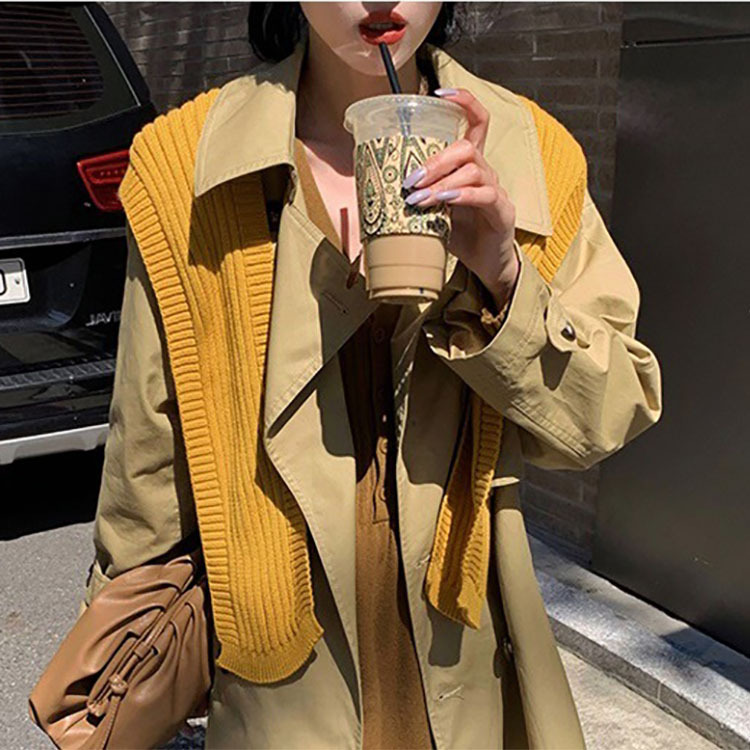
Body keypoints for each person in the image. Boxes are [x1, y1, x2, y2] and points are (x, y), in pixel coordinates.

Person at [81, 3, 663, 748]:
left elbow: (609, 411)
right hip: (281, 682)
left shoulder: (532, 156)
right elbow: (147, 451)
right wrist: (123, 663)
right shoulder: (186, 166)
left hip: (468, 661)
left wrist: (503, 276)